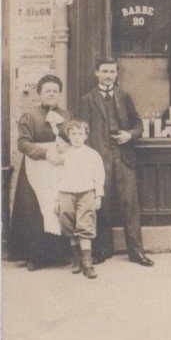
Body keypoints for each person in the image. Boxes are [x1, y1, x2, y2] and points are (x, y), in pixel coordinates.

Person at [78, 56, 154, 267]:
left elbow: (139, 125)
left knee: (130, 205)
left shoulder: (124, 96)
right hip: (99, 158)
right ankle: (102, 250)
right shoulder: (87, 100)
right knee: (102, 204)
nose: (108, 75)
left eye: (112, 71)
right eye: (104, 71)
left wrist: (129, 135)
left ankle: (136, 252)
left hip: (123, 157)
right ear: (96, 73)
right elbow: (83, 131)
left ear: (116, 73)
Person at [8, 74, 70, 270]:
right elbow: (23, 144)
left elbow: (73, 136)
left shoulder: (65, 115)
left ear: (59, 93)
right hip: (35, 168)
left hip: (58, 168)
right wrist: (45, 153)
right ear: (40, 93)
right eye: (47, 91)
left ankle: (56, 256)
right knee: (33, 212)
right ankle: (33, 257)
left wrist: (66, 145)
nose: (51, 94)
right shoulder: (30, 116)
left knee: (55, 207)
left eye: (55, 91)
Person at [56, 119, 105, 280]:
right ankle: (76, 259)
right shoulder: (63, 155)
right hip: (66, 193)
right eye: (73, 133)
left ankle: (87, 262)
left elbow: (99, 176)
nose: (77, 137)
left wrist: (98, 195)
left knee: (85, 225)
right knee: (68, 224)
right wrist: (57, 200)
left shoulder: (92, 155)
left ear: (86, 136)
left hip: (86, 192)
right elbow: (57, 178)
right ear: (68, 136)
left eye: (80, 134)